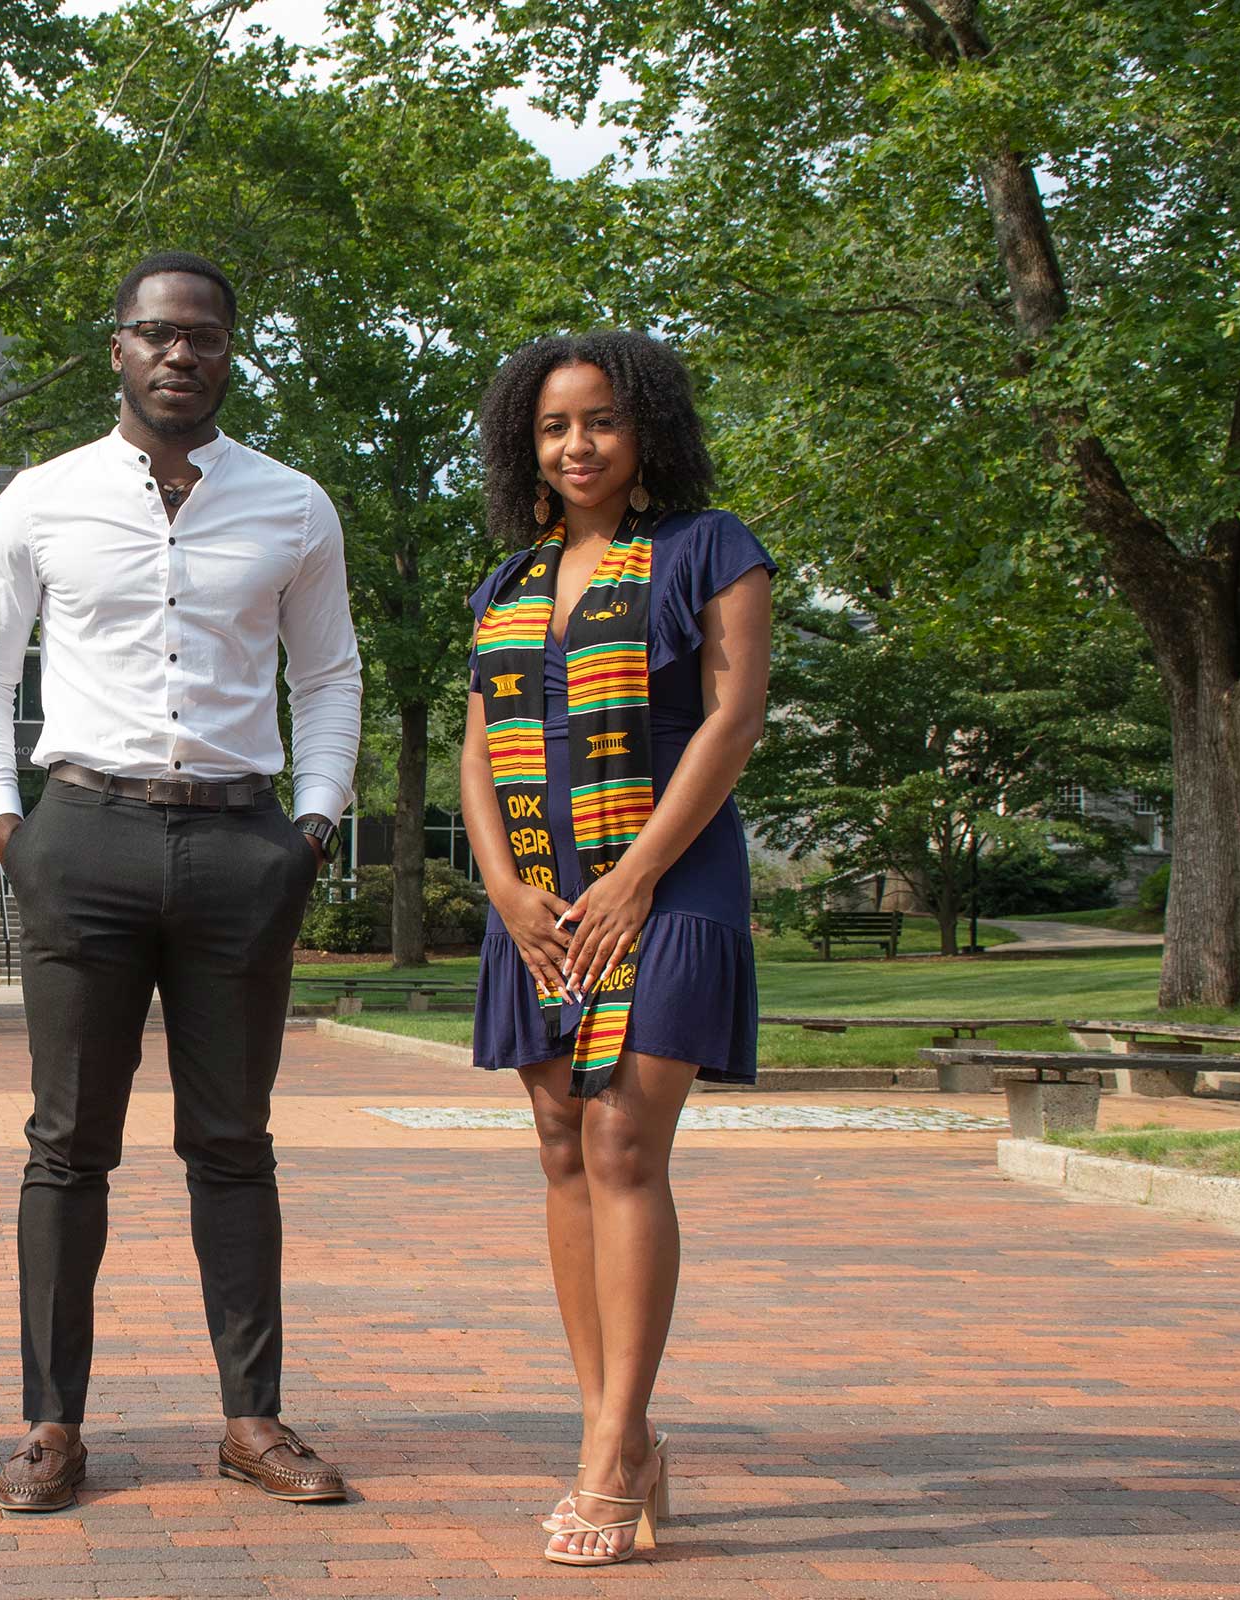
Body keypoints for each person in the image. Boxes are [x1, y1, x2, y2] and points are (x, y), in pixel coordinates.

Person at [0, 250, 365, 1514]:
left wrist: (313, 823)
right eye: (155, 334)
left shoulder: (294, 506)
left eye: (204, 336)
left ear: (231, 350)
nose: (180, 353)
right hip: (84, 836)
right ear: (115, 349)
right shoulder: (41, 498)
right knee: (67, 1145)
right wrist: (5, 820)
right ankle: (49, 1425)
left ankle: (251, 1420)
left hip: (242, 846)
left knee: (233, 1145)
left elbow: (329, 676)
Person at [459, 331, 773, 1567]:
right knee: (557, 1145)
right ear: (525, 446)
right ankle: (620, 1435)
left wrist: (637, 876)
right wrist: (502, 890)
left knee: (621, 1139)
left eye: (598, 421)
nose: (575, 444)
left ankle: (605, 1454)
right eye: (552, 426)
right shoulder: (503, 585)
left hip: (672, 878)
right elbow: (481, 753)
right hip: (540, 895)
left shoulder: (710, 550)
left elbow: (732, 718)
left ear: (645, 433)